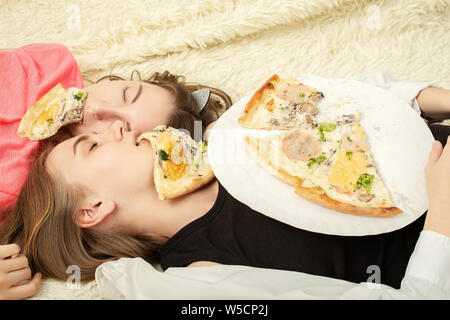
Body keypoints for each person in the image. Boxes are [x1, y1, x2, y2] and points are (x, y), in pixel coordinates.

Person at [0, 70, 449, 300]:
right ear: (91, 209)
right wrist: (443, 220)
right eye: (90, 146)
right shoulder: (202, 278)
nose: (113, 128)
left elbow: (346, 101)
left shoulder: (226, 139)